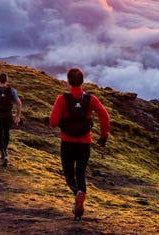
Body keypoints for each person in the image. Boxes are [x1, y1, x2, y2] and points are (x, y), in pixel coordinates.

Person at [49, 67, 110, 221]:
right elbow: (104, 116)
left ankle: (77, 193)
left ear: (68, 81)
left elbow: (53, 122)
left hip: (67, 143)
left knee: (69, 176)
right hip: (84, 144)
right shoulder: (91, 99)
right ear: (82, 81)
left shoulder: (62, 99)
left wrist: (63, 120)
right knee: (81, 174)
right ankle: (78, 209)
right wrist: (103, 136)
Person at [0, 73, 22, 167]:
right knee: (6, 133)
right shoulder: (11, 91)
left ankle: (3, 153)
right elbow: (19, 104)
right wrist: (17, 116)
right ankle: (5, 152)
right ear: (6, 80)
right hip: (8, 115)